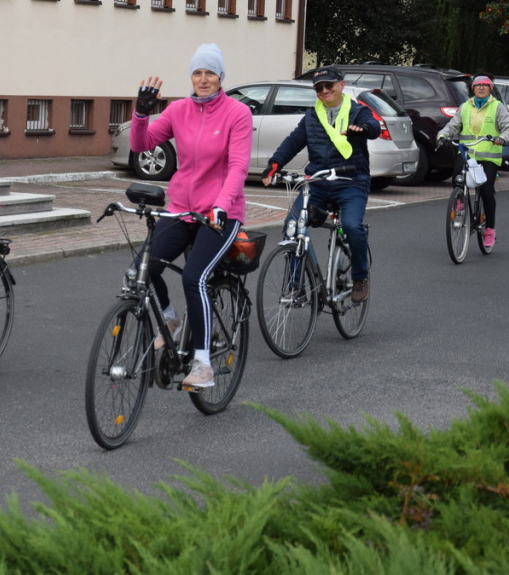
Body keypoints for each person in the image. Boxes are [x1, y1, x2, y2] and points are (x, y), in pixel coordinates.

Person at [130, 43, 253, 389]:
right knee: (142, 267)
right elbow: (141, 145)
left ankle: (202, 363)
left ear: (220, 77)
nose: (203, 79)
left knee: (193, 278)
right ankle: (169, 319)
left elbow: (239, 166)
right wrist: (141, 113)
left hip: (221, 213)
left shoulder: (237, 113)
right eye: (198, 72)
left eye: (210, 73)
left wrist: (223, 203)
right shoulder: (178, 110)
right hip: (182, 208)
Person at [260, 66, 380, 303]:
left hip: (351, 182)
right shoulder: (312, 116)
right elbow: (292, 142)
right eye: (319, 88)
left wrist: (363, 130)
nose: (324, 91)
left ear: (341, 85)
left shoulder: (358, 111)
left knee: (352, 226)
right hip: (318, 183)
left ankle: (360, 277)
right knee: (293, 226)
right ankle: (297, 286)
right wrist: (274, 165)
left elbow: (373, 127)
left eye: (329, 86)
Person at [436, 74, 509, 249]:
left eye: (485, 85)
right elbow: (453, 125)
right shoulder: (465, 107)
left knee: (486, 191)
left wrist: (502, 138)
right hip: (467, 153)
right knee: (457, 180)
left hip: (489, 156)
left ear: (490, 88)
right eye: (478, 85)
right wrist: (442, 135)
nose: (481, 88)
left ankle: (490, 230)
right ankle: (460, 208)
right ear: (473, 89)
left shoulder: (497, 107)